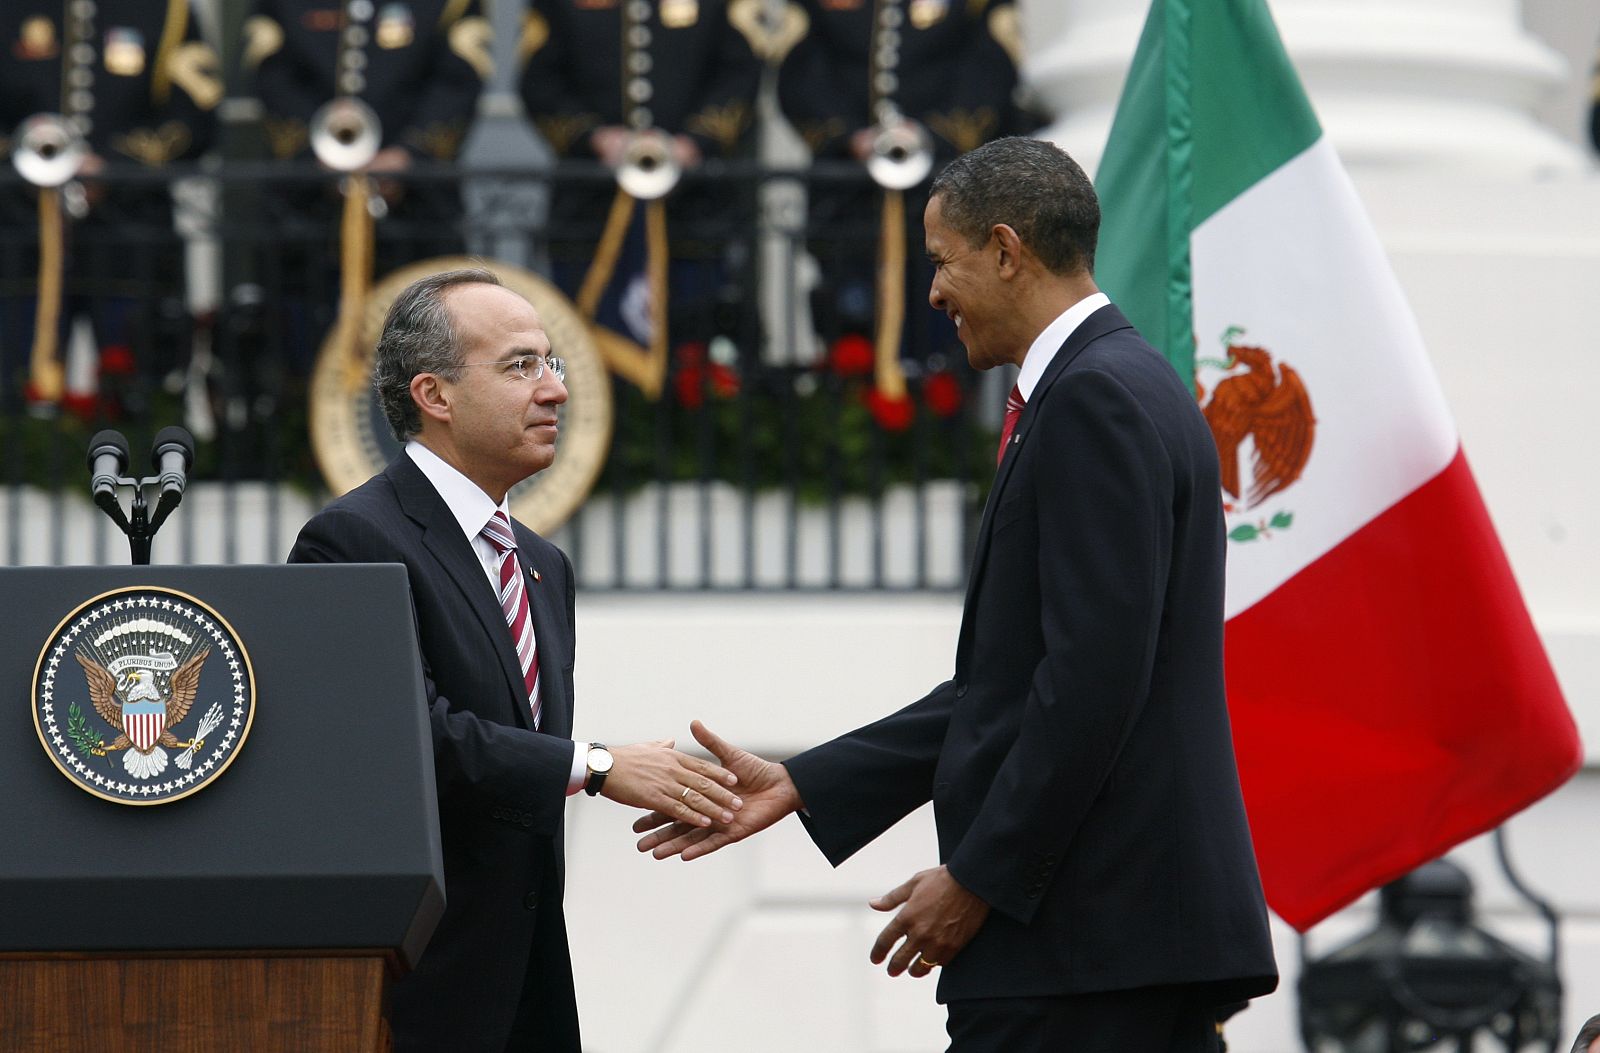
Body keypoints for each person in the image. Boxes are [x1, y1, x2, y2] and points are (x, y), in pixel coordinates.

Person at [635, 138, 1279, 1050]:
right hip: (1112, 949)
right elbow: (1014, 685)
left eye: (943, 261)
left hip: (1086, 950)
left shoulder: (1094, 397)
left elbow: (1091, 681)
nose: (932, 293)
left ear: (1008, 250)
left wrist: (978, 877)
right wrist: (805, 781)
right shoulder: (1115, 383)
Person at [288, 268, 743, 1052]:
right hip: (416, 997)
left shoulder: (541, 563)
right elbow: (404, 741)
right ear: (435, 395)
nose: (555, 390)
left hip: (527, 992)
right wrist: (594, 763)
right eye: (520, 366)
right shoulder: (353, 541)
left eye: (551, 363)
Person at [775, 0, 1031, 362]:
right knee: (849, 328)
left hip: (944, 191)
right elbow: (800, 72)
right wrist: (848, 136)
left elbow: (989, 68)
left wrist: (931, 136)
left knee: (943, 335)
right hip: (848, 202)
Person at [243, 0, 490, 375]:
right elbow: (269, 71)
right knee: (303, 347)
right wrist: (316, 153)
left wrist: (410, 155)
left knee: (425, 347)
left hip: (419, 210)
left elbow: (460, 77)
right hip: (305, 210)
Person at [0, 0, 221, 412]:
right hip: (19, 234)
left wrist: (116, 167)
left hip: (130, 234)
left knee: (141, 397)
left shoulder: (168, 11)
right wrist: (27, 161)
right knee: (12, 398)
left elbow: (197, 116)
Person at [517, 0, 763, 366]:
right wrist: (594, 138)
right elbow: (539, 79)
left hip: (693, 206)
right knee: (587, 351)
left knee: (695, 347)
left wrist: (696, 142)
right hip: (590, 208)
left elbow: (740, 71)